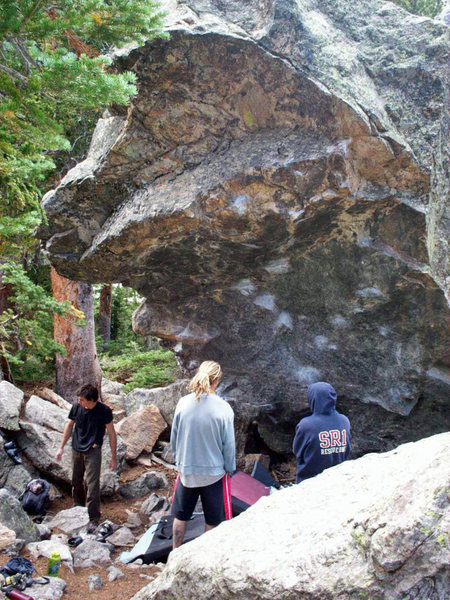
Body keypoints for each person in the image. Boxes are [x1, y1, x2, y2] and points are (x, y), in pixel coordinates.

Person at [170, 360, 235, 549]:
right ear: (217, 381)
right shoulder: (223, 408)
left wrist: (179, 462)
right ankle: (202, 555)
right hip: (213, 473)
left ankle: (175, 553)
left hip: (187, 471)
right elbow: (228, 445)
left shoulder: (183, 403)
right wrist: (229, 468)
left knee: (181, 516)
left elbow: (175, 436)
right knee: (213, 520)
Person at [56, 384, 117, 533]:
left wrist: (114, 457)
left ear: (91, 400)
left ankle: (93, 518)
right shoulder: (77, 407)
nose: (79, 401)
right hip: (76, 449)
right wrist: (61, 447)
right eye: (79, 399)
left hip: (93, 451)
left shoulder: (104, 411)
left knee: (92, 484)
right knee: (76, 481)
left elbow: (111, 434)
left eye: (82, 399)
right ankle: (78, 508)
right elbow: (70, 425)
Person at [292, 381, 351, 484]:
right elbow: (347, 450)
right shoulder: (344, 421)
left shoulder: (306, 425)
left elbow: (297, 451)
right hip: (338, 479)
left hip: (309, 481)